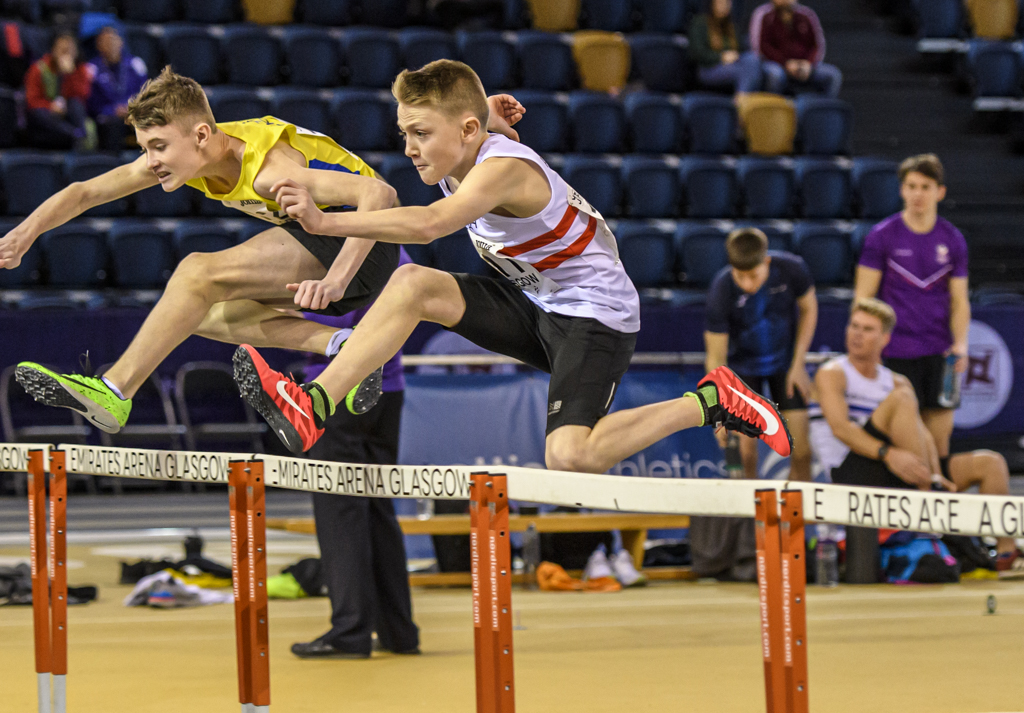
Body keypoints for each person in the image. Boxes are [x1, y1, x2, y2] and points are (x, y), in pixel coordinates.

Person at [233, 60, 792, 473]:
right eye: (404, 133)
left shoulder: (501, 169)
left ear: (466, 131)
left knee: (571, 456)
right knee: (411, 283)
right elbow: (471, 121)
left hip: (595, 316)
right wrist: (489, 116)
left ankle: (712, 401)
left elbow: (430, 225)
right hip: (536, 302)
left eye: (421, 134)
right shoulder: (469, 148)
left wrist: (323, 223)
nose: (409, 148)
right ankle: (314, 404)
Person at [0, 67, 522, 434]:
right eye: (145, 148)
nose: (150, 161)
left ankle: (114, 391)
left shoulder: (269, 169)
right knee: (197, 313)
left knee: (195, 272)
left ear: (201, 135)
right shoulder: (190, 153)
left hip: (360, 243)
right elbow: (85, 191)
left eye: (158, 147)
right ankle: (346, 347)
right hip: (324, 246)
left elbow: (379, 194)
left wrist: (335, 279)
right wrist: (20, 236)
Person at [810, 298, 1015, 561]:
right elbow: (841, 428)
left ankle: (1005, 556)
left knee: (991, 463)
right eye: (854, 326)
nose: (857, 334)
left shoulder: (897, 381)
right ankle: (933, 522)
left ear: (885, 338)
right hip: (853, 471)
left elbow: (923, 435)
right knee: (902, 399)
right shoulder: (833, 373)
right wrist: (888, 454)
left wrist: (936, 474)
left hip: (901, 467)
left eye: (867, 329)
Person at [292, 305, 418, 659]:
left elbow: (335, 324)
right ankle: (399, 632)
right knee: (378, 509)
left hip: (335, 389)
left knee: (339, 511)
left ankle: (350, 631)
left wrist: (288, 314)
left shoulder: (338, 271)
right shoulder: (395, 268)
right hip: (388, 387)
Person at [854, 154, 968, 464]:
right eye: (912, 186)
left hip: (940, 352)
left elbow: (960, 300)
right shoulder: (882, 236)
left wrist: (961, 344)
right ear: (902, 190)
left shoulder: (953, 239)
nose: (918, 194)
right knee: (904, 438)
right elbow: (864, 299)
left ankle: (938, 491)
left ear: (940, 192)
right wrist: (869, 346)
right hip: (896, 351)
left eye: (925, 187)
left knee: (940, 441)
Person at [704, 226, 816, 480]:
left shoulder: (791, 269)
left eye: (753, 276)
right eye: (740, 276)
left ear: (766, 261)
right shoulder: (721, 288)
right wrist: (719, 406)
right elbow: (716, 357)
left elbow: (809, 308)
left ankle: (793, 507)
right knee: (744, 455)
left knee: (802, 453)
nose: (747, 284)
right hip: (742, 371)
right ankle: (751, 507)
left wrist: (799, 363)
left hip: (785, 365)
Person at [749, 0, 842, 97]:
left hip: (804, 65)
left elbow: (817, 46)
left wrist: (809, 63)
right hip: (776, 64)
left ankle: (822, 106)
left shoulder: (806, 14)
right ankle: (773, 106)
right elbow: (761, 47)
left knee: (832, 74)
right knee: (775, 74)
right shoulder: (763, 14)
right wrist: (785, 63)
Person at [25, 32, 96, 150]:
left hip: (69, 112)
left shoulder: (80, 69)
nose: (67, 54)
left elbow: (83, 96)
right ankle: (75, 134)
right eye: (62, 50)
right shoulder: (39, 68)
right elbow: (32, 100)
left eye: (70, 50)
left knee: (76, 104)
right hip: (48, 113)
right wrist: (50, 106)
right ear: (53, 50)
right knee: (38, 114)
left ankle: (80, 137)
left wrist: (69, 74)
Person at [86, 26, 149, 152]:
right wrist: (112, 110)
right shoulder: (91, 69)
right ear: (98, 45)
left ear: (121, 42)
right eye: (105, 41)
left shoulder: (135, 64)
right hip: (107, 117)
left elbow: (145, 92)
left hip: (133, 112)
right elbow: (90, 102)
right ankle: (112, 160)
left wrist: (131, 107)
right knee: (113, 125)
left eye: (113, 40)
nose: (110, 44)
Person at [690, 0, 765, 95]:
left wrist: (734, 56)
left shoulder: (731, 26)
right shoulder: (700, 23)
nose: (724, 6)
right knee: (744, 72)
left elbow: (740, 50)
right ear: (712, 4)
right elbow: (697, 54)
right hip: (709, 67)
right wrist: (721, 57)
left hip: (732, 64)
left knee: (752, 58)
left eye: (727, 3)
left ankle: (753, 98)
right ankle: (742, 99)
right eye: (721, 3)